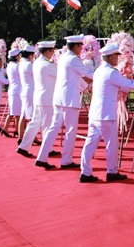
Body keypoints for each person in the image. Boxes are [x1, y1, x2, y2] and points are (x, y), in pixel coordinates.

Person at [79, 42, 134, 183]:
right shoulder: (111, 72)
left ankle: (85, 171)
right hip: (106, 115)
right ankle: (112, 171)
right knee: (111, 145)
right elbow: (129, 84)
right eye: (116, 56)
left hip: (95, 113)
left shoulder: (99, 70)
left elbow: (118, 86)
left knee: (90, 143)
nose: (117, 58)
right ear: (110, 58)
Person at [34, 35, 94, 169]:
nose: (82, 49)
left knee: (53, 128)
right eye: (81, 46)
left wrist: (85, 87)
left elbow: (73, 77)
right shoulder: (74, 59)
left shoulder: (63, 58)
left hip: (59, 98)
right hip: (69, 100)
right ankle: (66, 160)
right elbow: (89, 73)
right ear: (76, 46)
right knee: (70, 130)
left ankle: (42, 157)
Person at [16, 41, 57, 158]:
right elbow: (62, 75)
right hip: (46, 98)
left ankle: (23, 147)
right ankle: (46, 149)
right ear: (47, 51)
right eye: (52, 51)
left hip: (38, 97)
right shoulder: (46, 64)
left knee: (35, 123)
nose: (53, 53)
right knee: (47, 124)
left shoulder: (36, 62)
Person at [1, 48, 21, 138]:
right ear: (16, 56)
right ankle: (7, 128)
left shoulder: (10, 65)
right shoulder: (16, 66)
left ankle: (16, 129)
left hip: (13, 89)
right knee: (15, 112)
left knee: (14, 111)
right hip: (17, 90)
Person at [18, 45, 36, 143]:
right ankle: (30, 138)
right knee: (32, 117)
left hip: (24, 91)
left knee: (23, 115)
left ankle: (21, 137)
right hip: (30, 92)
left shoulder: (21, 63)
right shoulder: (29, 64)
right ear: (30, 55)